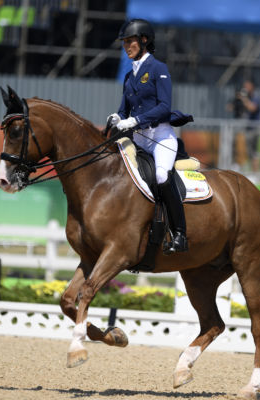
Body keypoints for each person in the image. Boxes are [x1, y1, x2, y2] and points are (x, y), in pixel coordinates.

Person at [107, 18, 188, 254]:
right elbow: (124, 110)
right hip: (139, 139)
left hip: (160, 137)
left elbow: (164, 107)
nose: (126, 46)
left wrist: (135, 120)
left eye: (130, 41)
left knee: (162, 176)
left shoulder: (158, 69)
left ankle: (180, 234)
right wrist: (117, 117)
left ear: (144, 40)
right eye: (124, 42)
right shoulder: (129, 75)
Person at [226, 79, 260, 171]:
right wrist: (236, 100)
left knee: (252, 152)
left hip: (253, 128)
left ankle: (255, 172)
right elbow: (229, 108)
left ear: (252, 86)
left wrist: (243, 99)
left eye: (247, 85)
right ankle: (236, 166)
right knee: (239, 148)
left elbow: (252, 108)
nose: (245, 87)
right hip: (245, 128)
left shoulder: (255, 97)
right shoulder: (244, 98)